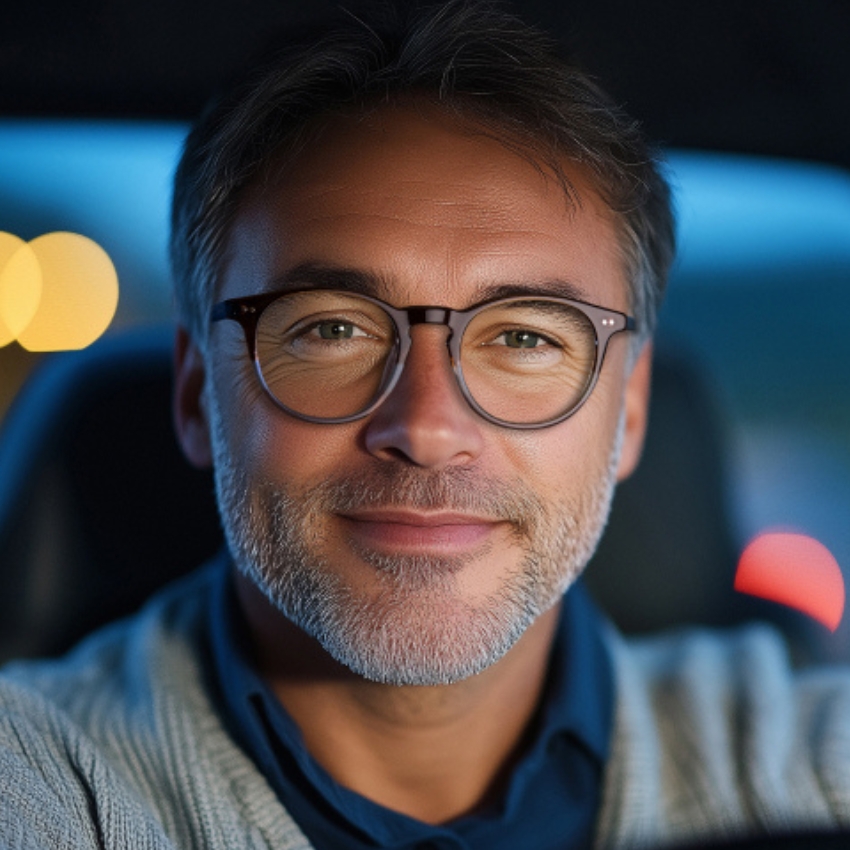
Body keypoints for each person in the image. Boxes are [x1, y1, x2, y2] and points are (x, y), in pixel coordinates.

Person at [2, 3, 850, 849]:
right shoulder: (34, 781)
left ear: (628, 411)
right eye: (331, 329)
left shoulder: (815, 769)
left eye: (523, 337)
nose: (428, 427)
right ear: (195, 396)